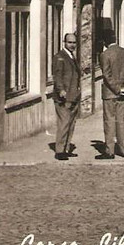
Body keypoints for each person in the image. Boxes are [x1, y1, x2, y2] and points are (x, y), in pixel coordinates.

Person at [98, 28, 124, 159]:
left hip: (110, 93)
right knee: (121, 121)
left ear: (104, 41)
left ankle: (109, 151)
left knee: (109, 120)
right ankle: (123, 149)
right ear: (115, 39)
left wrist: (117, 89)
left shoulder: (105, 55)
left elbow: (107, 75)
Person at [51, 33, 81, 161]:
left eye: (74, 43)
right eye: (70, 42)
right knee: (63, 123)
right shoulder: (60, 57)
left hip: (74, 96)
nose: (72, 45)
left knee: (71, 124)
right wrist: (61, 90)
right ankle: (59, 151)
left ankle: (66, 149)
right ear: (64, 43)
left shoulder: (72, 57)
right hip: (63, 97)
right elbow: (57, 76)